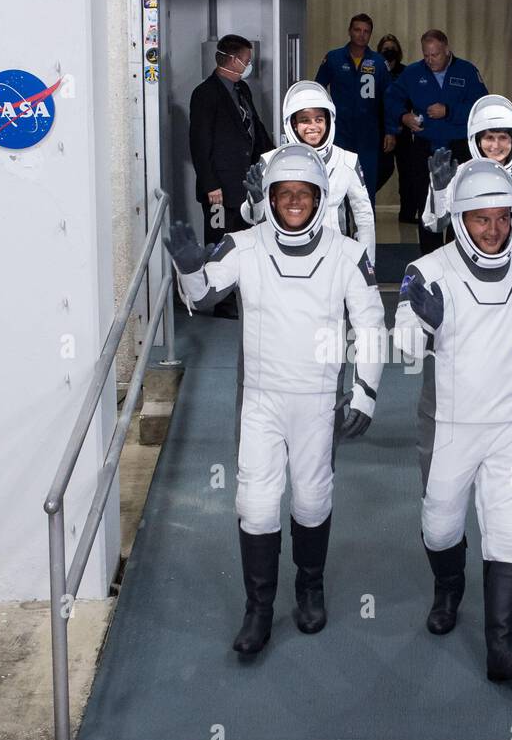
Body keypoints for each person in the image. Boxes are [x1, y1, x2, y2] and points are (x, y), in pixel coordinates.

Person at [165, 144, 386, 658]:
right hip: (261, 401)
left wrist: (366, 391)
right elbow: (200, 297)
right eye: (283, 194)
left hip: (317, 400)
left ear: (318, 198)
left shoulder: (347, 254)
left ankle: (310, 588)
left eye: (302, 194)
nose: (292, 202)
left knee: (311, 500)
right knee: (255, 504)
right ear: (270, 197)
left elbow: (372, 323)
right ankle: (258, 608)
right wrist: (189, 268)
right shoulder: (243, 245)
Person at [393, 158, 512, 683]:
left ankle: (500, 646)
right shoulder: (428, 271)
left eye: (504, 218)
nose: (495, 230)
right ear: (460, 218)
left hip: (510, 428)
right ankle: (448, 586)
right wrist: (425, 326)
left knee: (510, 531)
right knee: (440, 527)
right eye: (483, 219)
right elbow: (403, 346)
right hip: (449, 427)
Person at [240, 80, 375, 261]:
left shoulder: (347, 161)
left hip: (334, 255)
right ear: (293, 124)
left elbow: (364, 217)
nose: (313, 126)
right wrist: (256, 201)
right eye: (305, 120)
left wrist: (367, 265)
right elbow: (252, 219)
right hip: (284, 256)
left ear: (328, 121)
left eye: (319, 119)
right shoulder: (271, 161)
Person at [188, 34, 273, 317]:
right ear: (232, 59)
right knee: (220, 241)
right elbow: (200, 143)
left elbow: (255, 128)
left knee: (244, 240)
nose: (249, 64)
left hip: (244, 183)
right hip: (219, 188)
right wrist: (211, 184)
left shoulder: (242, 90)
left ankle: (242, 295)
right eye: (246, 60)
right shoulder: (205, 93)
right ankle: (220, 302)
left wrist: (272, 158)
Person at [383, 30, 487, 254]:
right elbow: (391, 98)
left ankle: (456, 258)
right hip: (425, 149)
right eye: (426, 55)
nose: (430, 61)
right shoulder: (413, 73)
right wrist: (404, 117)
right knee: (427, 208)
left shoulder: (467, 71)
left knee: (458, 207)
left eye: (435, 55)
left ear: (447, 50)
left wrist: (449, 111)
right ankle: (431, 262)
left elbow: (481, 107)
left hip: (459, 148)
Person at [422, 94, 512, 258]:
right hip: (466, 268)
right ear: (477, 141)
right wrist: (439, 190)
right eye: (489, 138)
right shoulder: (456, 175)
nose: (496, 146)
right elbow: (434, 226)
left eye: (503, 138)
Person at [315, 13, 390, 201]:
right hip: (340, 131)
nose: (361, 35)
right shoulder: (333, 58)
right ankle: (340, 230)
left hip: (368, 133)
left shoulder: (379, 63)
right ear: (350, 31)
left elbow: (389, 99)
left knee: (366, 188)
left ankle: (365, 230)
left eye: (366, 31)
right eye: (357, 30)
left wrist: (391, 131)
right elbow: (318, 90)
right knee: (337, 187)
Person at [375, 34, 415, 219]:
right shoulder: (375, 71)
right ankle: (364, 202)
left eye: (392, 48)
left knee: (408, 173)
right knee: (384, 168)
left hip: (403, 128)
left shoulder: (406, 72)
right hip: (381, 129)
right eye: (385, 49)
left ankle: (407, 214)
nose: (389, 52)